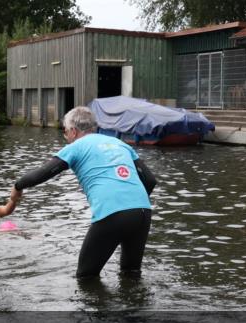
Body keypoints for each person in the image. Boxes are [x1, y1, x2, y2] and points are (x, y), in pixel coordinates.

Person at [12, 106, 157, 279]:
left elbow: (43, 173)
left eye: (65, 132)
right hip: (142, 211)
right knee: (131, 273)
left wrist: (17, 187)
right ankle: (134, 305)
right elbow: (150, 180)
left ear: (73, 131)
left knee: (85, 276)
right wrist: (131, 207)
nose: (66, 137)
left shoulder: (77, 146)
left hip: (113, 211)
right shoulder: (120, 144)